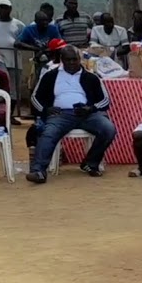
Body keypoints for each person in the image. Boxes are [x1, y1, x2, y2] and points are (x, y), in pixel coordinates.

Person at [26, 45, 116, 183]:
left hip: (87, 113)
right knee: (48, 133)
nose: (72, 63)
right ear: (62, 59)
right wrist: (45, 110)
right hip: (60, 114)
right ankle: (39, 171)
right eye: (68, 60)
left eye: (75, 59)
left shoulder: (91, 77)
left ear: (80, 59)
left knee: (108, 129)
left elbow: (105, 101)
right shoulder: (50, 75)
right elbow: (35, 98)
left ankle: (90, 163)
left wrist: (90, 109)